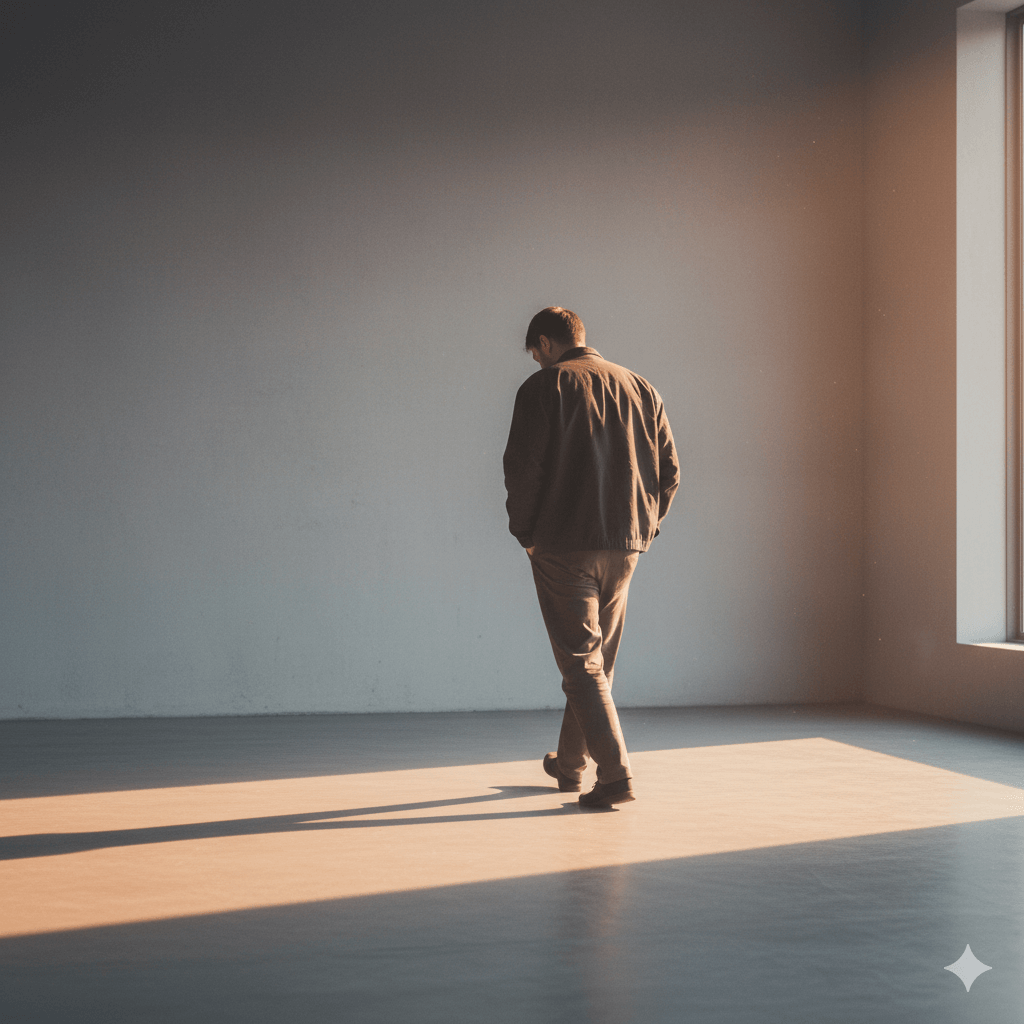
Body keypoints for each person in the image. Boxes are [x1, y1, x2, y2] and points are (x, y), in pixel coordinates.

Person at [503, 306, 679, 808]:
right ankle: (570, 765)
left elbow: (522, 469)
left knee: (581, 662)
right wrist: (645, 527)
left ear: (544, 343)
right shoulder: (641, 387)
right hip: (624, 543)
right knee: (595, 662)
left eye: (535, 352)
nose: (536, 361)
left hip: (562, 544)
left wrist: (526, 535)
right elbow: (670, 472)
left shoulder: (542, 388)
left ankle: (616, 776)